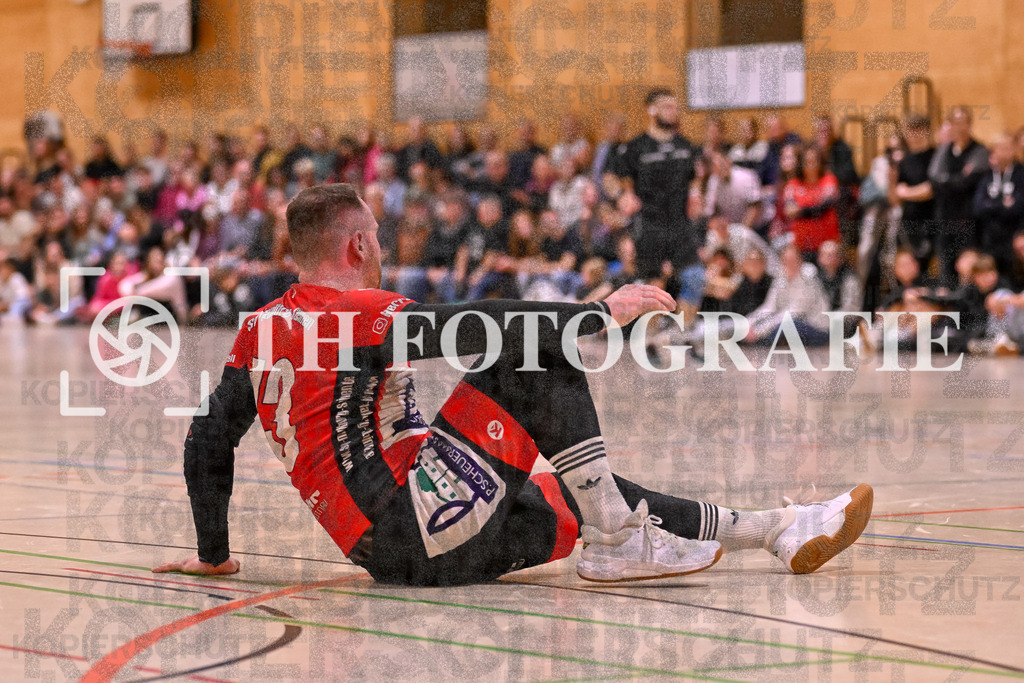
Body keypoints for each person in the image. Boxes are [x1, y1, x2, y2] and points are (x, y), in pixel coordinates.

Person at [154, 183, 873, 585]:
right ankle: (618, 540)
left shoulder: (259, 329)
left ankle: (778, 529)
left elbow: (206, 441)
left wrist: (214, 553)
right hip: (413, 522)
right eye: (377, 237)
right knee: (527, 351)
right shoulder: (352, 310)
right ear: (359, 245)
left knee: (585, 489)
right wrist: (598, 310)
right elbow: (479, 325)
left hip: (400, 544)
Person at [928, 106, 989, 287]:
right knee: (946, 270)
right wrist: (955, 179)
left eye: (963, 122)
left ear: (970, 124)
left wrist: (947, 180)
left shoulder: (979, 150)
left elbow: (967, 182)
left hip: (968, 221)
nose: (959, 127)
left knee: (967, 269)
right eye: (955, 123)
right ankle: (950, 313)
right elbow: (933, 179)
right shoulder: (945, 150)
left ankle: (968, 312)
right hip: (945, 219)